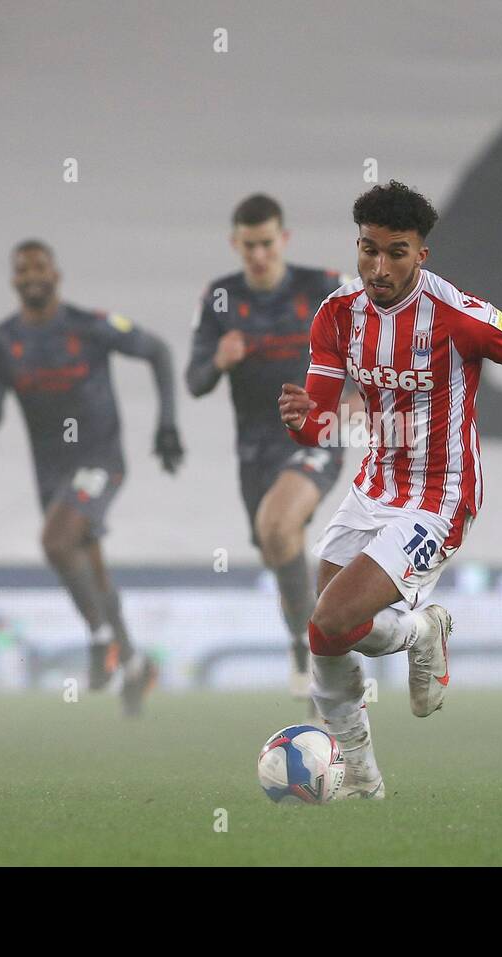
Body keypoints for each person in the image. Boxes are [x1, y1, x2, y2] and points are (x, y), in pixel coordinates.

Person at [278, 182, 502, 798]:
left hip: (439, 496)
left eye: (396, 252)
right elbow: (320, 423)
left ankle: (412, 646)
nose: (378, 267)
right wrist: (301, 417)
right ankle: (367, 762)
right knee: (328, 634)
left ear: (422, 256)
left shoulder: (459, 315)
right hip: (373, 486)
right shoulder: (337, 314)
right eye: (367, 250)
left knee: (331, 617)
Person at [0, 240, 184, 716]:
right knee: (88, 565)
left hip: (99, 460)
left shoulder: (89, 326)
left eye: (40, 267)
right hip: (51, 476)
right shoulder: (4, 342)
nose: (32, 276)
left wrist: (166, 424)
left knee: (55, 541)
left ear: (56, 274)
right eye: (22, 269)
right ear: (13, 280)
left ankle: (99, 639)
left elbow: (158, 350)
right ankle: (133, 666)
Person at [186, 194, 356, 706]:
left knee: (278, 525)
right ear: (235, 244)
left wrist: (352, 402)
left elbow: (371, 348)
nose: (258, 254)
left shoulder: (325, 287)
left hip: (314, 435)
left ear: (283, 240)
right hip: (253, 450)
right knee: (278, 548)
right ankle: (307, 645)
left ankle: (318, 653)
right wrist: (218, 359)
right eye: (249, 245)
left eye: (267, 243)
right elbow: (195, 381)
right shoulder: (220, 297)